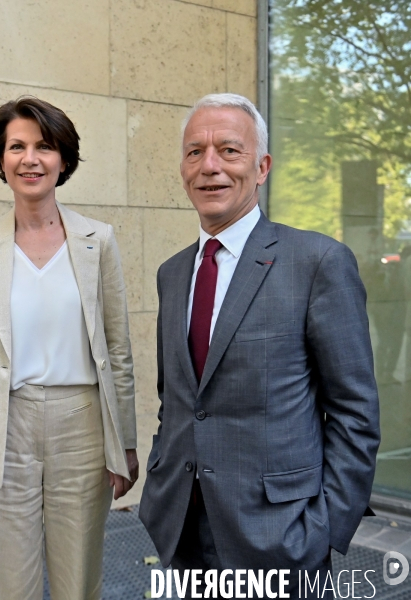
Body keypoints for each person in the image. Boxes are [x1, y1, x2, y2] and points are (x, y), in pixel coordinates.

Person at [139, 93, 380, 599]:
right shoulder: (173, 273)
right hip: (182, 527)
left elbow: (355, 412)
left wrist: (324, 528)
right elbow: (178, 399)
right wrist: (161, 483)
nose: (210, 166)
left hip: (282, 539)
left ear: (262, 166)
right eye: (194, 152)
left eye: (229, 150)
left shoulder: (316, 262)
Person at [0, 96, 138, 600]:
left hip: (82, 426)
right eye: (17, 146)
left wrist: (125, 442)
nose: (30, 158)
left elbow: (118, 352)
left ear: (63, 160)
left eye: (44, 146)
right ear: (1, 160)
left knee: (78, 578)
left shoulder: (99, 240)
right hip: (4, 430)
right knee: (6, 581)